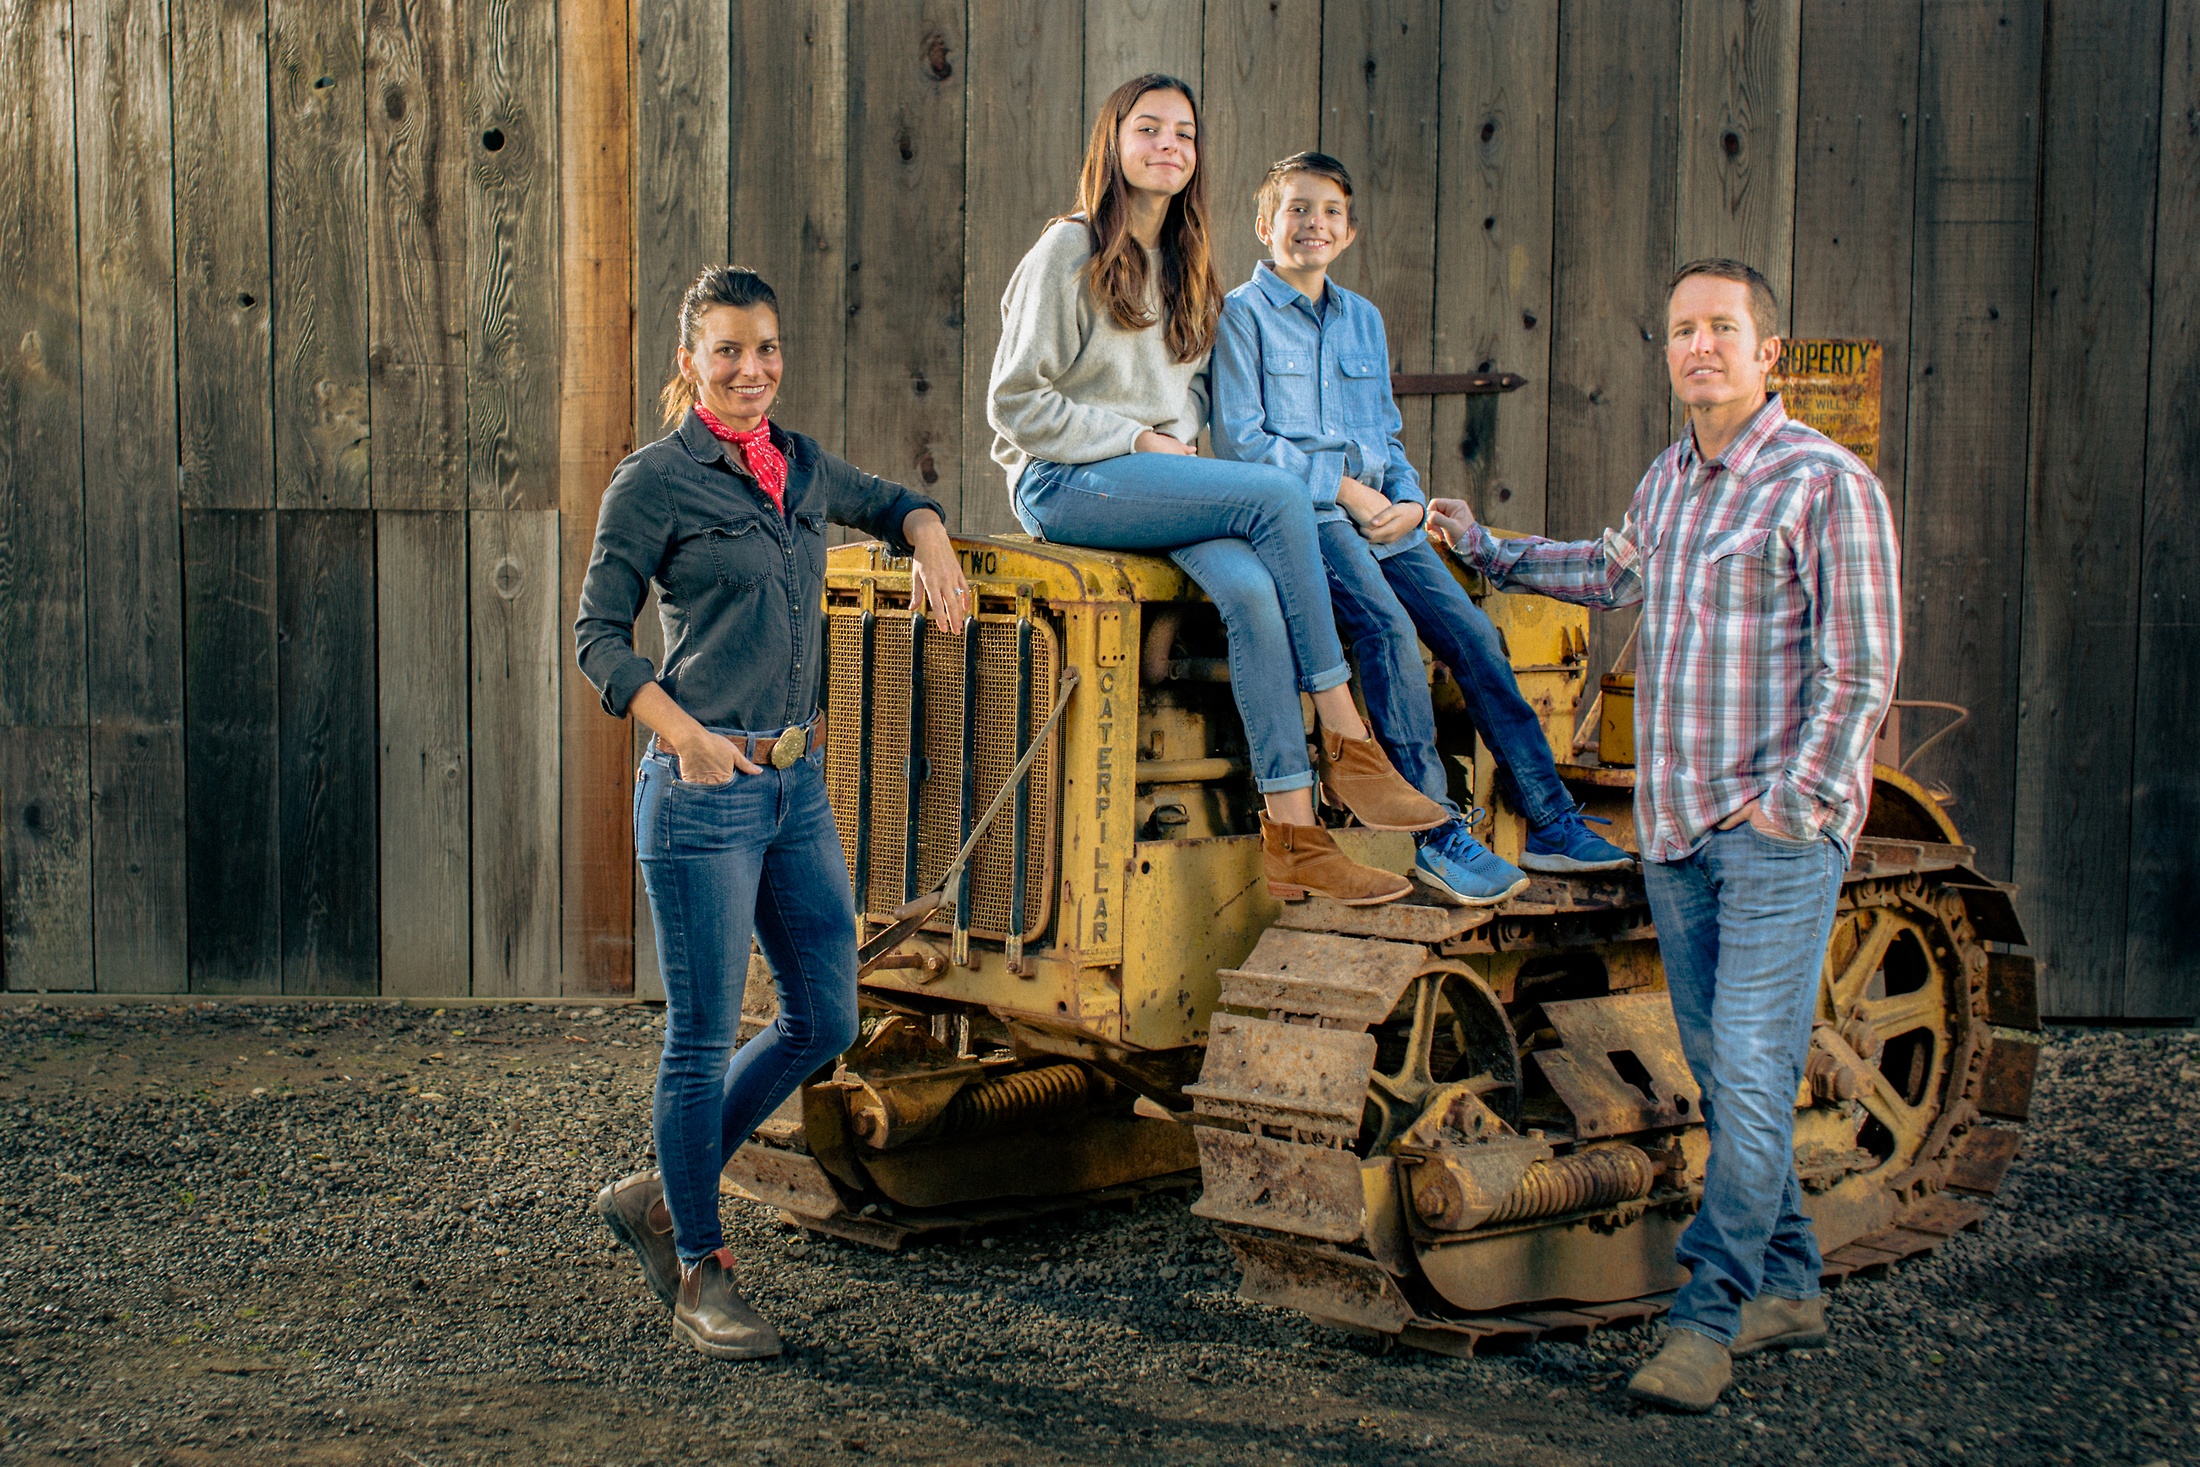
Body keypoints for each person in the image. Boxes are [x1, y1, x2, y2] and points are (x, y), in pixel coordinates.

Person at [1427, 259, 1900, 1412]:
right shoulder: (1673, 480)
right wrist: (1483, 546)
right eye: (1683, 330)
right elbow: (1610, 570)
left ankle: (1706, 1315)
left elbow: (1861, 669)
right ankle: (1788, 1279)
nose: (1699, 347)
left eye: (1722, 329)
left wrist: (1790, 804)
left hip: (1773, 834)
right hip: (1676, 827)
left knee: (1746, 1069)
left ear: (1767, 352)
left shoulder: (1822, 485)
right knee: (1727, 1070)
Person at [575, 266, 972, 1360]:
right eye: (728, 353)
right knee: (698, 1042)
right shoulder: (654, 482)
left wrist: (927, 535)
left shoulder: (796, 466)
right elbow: (597, 638)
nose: (752, 372)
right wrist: (684, 736)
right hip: (704, 789)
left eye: (768, 350)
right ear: (689, 365)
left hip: (796, 786)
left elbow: (891, 501)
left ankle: (662, 1190)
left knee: (826, 1019)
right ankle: (700, 1266)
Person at [988, 74, 1444, 908]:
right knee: (1274, 496)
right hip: (1066, 479)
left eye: (1184, 134)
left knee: (1252, 590)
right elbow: (1015, 402)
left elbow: (1190, 398)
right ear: (1113, 143)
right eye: (1149, 128)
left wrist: (1180, 441)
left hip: (1156, 481)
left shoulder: (1188, 264)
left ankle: (1296, 833)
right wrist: (1135, 438)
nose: (1168, 145)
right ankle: (1346, 735)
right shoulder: (1068, 250)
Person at [1210, 151, 1634, 907]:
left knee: (1473, 635)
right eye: (1297, 209)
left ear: (1349, 231)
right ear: (1264, 224)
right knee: (1386, 631)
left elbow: (1387, 434)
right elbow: (1243, 442)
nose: (1313, 224)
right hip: (1308, 516)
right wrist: (1346, 490)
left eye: (1330, 212)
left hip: (1386, 518)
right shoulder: (1241, 314)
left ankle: (1549, 819)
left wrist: (1406, 496)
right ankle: (1437, 836)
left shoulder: (1362, 319)